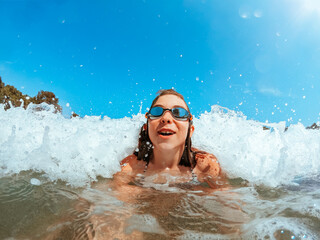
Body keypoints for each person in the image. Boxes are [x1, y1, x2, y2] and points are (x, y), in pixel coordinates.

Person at [115, 89, 225, 189]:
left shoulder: (204, 165)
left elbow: (228, 199)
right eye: (157, 112)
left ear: (190, 130)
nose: (166, 118)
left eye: (178, 113)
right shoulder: (130, 167)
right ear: (146, 127)